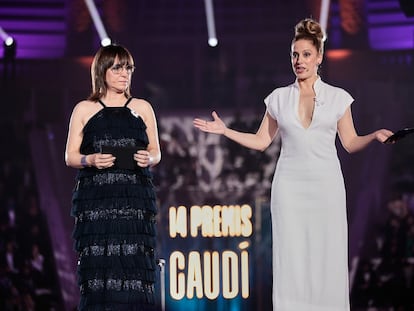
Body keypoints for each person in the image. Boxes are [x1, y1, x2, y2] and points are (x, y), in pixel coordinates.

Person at [193, 18, 393, 311]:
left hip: (326, 187)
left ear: (319, 57)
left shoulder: (338, 98)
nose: (299, 61)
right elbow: (262, 141)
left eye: (306, 54)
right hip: (289, 188)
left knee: (327, 255)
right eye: (295, 55)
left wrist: (374, 136)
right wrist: (225, 131)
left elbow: (349, 143)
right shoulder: (278, 98)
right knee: (291, 256)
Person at [65, 44, 161, 311]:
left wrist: (148, 158)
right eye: (117, 67)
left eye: (128, 68)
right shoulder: (84, 108)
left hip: (133, 200)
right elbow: (70, 155)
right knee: (101, 271)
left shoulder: (142, 107)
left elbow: (156, 151)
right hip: (98, 201)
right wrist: (90, 159)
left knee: (132, 269)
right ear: (102, 70)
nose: (124, 74)